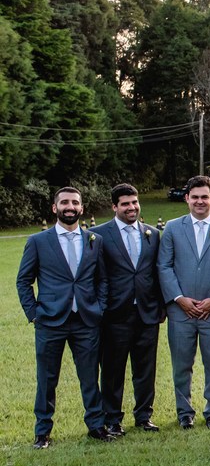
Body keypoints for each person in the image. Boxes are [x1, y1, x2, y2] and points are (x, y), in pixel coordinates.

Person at [16, 186, 110, 448]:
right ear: (55, 208)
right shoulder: (38, 241)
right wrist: (33, 313)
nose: (70, 207)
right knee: (47, 378)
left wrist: (99, 307)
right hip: (50, 321)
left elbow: (102, 279)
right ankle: (42, 431)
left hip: (86, 320)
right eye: (65, 203)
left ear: (81, 208)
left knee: (90, 375)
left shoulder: (94, 240)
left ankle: (95, 425)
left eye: (75, 203)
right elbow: (24, 281)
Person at [92, 184, 165, 435]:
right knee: (112, 370)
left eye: (134, 202)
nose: (131, 207)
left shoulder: (152, 234)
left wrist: (160, 308)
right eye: (125, 204)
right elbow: (94, 276)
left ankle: (144, 416)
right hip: (114, 314)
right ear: (114, 206)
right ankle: (112, 418)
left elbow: (157, 273)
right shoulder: (98, 235)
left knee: (146, 369)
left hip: (147, 312)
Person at [157, 176, 210, 429]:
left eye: (205, 197)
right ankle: (184, 412)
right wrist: (179, 298)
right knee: (181, 365)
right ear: (187, 198)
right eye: (195, 197)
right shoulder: (173, 228)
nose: (200, 201)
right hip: (180, 312)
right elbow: (164, 266)